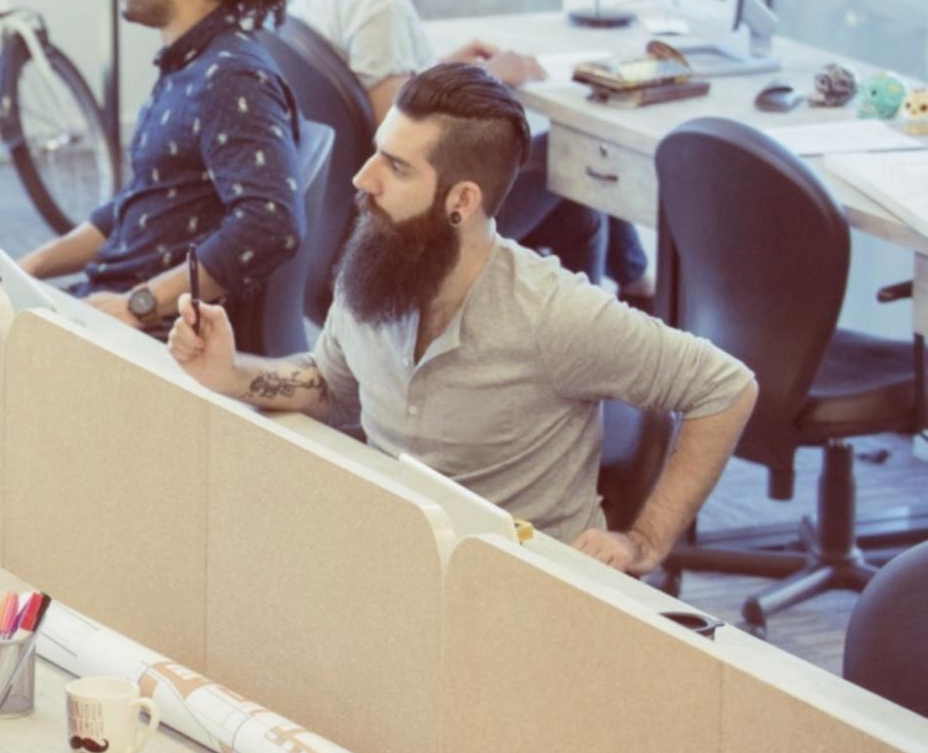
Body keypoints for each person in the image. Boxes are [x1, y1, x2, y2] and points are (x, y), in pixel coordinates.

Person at [168, 63, 757, 575]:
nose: (362, 178)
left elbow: (727, 388)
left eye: (395, 167)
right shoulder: (378, 258)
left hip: (521, 588)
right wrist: (232, 374)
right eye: (377, 152)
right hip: (400, 566)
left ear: (461, 200)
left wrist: (644, 542)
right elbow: (337, 388)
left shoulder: (554, 314)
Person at [297, 0, 645, 290]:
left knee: (571, 196)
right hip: (408, 212)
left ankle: (635, 282)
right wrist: (490, 79)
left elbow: (371, 86)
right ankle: (628, 297)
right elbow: (402, 132)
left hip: (332, 210)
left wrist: (437, 70)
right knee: (570, 164)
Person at [18, 0, 311, 335]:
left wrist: (140, 304)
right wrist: (27, 267)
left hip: (151, 339)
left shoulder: (231, 79)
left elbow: (272, 224)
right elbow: (137, 205)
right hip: (110, 306)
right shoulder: (190, 62)